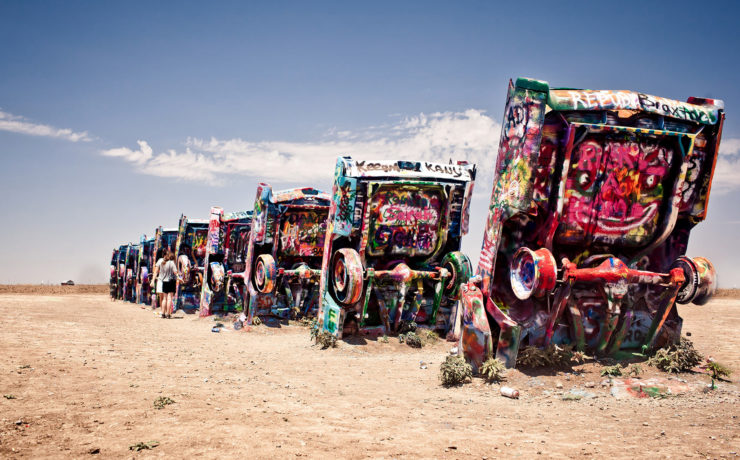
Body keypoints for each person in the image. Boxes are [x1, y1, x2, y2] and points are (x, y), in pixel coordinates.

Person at [159, 250, 179, 318]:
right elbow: (175, 272)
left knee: (164, 298)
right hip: (171, 281)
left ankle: (163, 313)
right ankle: (168, 314)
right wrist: (180, 278)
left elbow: (161, 273)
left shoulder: (162, 263)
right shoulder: (172, 263)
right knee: (169, 298)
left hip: (164, 281)